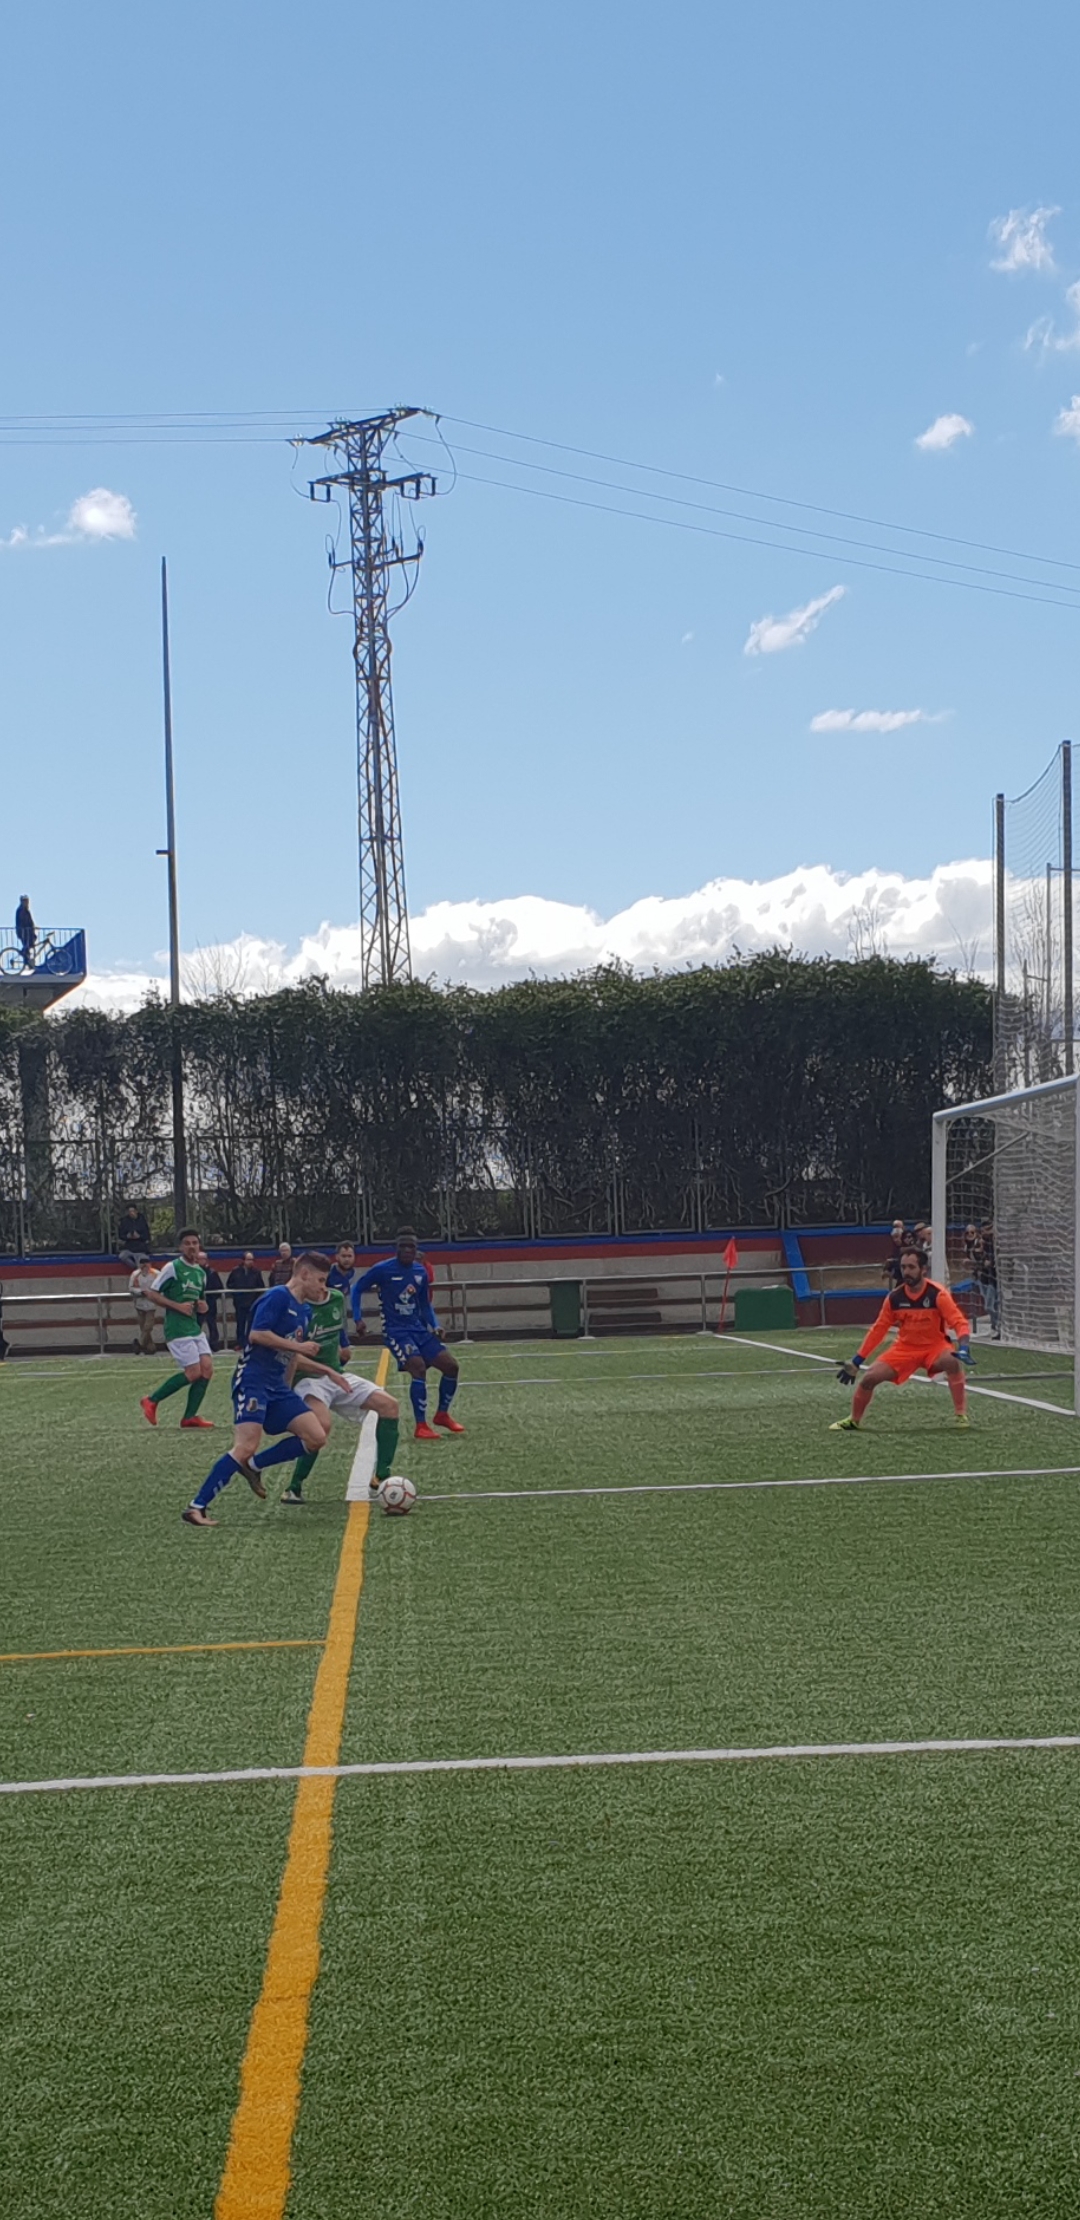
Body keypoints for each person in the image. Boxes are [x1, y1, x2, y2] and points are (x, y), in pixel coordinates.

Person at [182, 1251, 341, 1527]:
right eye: (320, 1280)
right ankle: (196, 1507)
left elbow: (290, 1356)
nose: (323, 1287)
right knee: (245, 1445)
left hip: (277, 1386)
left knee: (316, 1436)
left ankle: (253, 1466)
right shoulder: (277, 1296)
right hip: (253, 1380)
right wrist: (298, 1347)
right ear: (304, 1274)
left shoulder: (304, 1311)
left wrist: (289, 1387)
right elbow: (257, 1335)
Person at [282, 1275, 401, 1504]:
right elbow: (290, 1356)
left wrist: (344, 1347)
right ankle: (294, 1487)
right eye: (317, 1280)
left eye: (324, 1280)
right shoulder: (295, 1309)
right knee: (321, 1426)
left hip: (336, 1375)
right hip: (308, 1380)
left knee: (389, 1405)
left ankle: (381, 1478)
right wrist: (325, 1370)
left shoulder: (336, 1298)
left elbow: (337, 1330)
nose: (321, 1286)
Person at [831, 1245, 973, 1432]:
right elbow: (878, 1330)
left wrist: (964, 1346)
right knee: (869, 1379)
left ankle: (961, 1414)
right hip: (905, 1349)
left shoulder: (938, 1294)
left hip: (935, 1347)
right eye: (903, 1267)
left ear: (923, 1269)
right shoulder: (894, 1298)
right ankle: (854, 1420)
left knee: (952, 1361)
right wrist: (857, 1361)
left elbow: (959, 1322)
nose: (906, 1272)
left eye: (911, 1267)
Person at [351, 1225, 463, 1440]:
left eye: (411, 1246)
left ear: (416, 1248)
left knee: (451, 1366)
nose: (407, 1250)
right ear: (396, 1248)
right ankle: (421, 1426)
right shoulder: (383, 1270)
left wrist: (435, 1325)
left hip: (418, 1329)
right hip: (396, 1332)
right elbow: (357, 1289)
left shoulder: (420, 1272)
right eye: (403, 1246)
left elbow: (424, 1304)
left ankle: (442, 1414)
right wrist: (358, 1318)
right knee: (418, 1367)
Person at [139, 1228, 215, 1429]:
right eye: (187, 1243)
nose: (192, 1247)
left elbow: (199, 1299)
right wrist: (177, 1306)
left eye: (195, 1243)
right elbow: (152, 1293)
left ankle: (189, 1417)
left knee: (207, 1369)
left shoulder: (200, 1272)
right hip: (177, 1328)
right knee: (193, 1372)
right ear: (181, 1247)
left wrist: (202, 1306)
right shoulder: (172, 1268)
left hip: (193, 1327)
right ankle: (151, 1400)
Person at [328, 1240, 361, 1353]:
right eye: (343, 1256)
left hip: (340, 1309)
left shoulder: (352, 1273)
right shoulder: (328, 1273)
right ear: (337, 1257)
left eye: (349, 1256)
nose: (347, 1259)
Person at [227, 1252, 264, 1347]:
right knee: (240, 1323)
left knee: (251, 1323)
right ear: (243, 1261)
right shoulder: (235, 1271)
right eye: (248, 1260)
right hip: (239, 1302)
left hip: (252, 1302)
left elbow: (261, 1286)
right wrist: (236, 1294)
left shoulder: (256, 1272)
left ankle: (249, 1342)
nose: (250, 1262)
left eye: (252, 1260)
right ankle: (240, 1342)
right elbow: (229, 1284)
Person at [129, 1259, 158, 1354]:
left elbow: (161, 1286)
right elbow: (131, 1288)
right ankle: (150, 1348)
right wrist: (140, 1292)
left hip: (151, 1304)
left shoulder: (156, 1273)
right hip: (139, 1304)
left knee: (148, 1326)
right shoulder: (135, 1274)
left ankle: (139, 1344)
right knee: (143, 1327)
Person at [199, 1249, 224, 1353]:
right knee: (197, 1324)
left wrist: (212, 1297)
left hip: (210, 1303)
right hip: (197, 1303)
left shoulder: (212, 1273)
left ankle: (214, 1344)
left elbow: (219, 1287)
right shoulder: (193, 1272)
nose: (201, 1260)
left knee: (212, 1324)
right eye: (199, 1259)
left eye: (203, 1259)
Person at [881, 1219, 907, 1286]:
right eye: (894, 1238)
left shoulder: (907, 1247)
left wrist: (892, 1261)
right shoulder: (896, 1247)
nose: (896, 1240)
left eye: (897, 1237)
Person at [15, 896, 36, 969]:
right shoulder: (21, 910)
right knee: (27, 946)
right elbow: (23, 922)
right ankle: (27, 961)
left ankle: (28, 962)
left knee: (28, 947)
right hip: (24, 933)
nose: (27, 903)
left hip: (28, 932)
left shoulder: (26, 910)